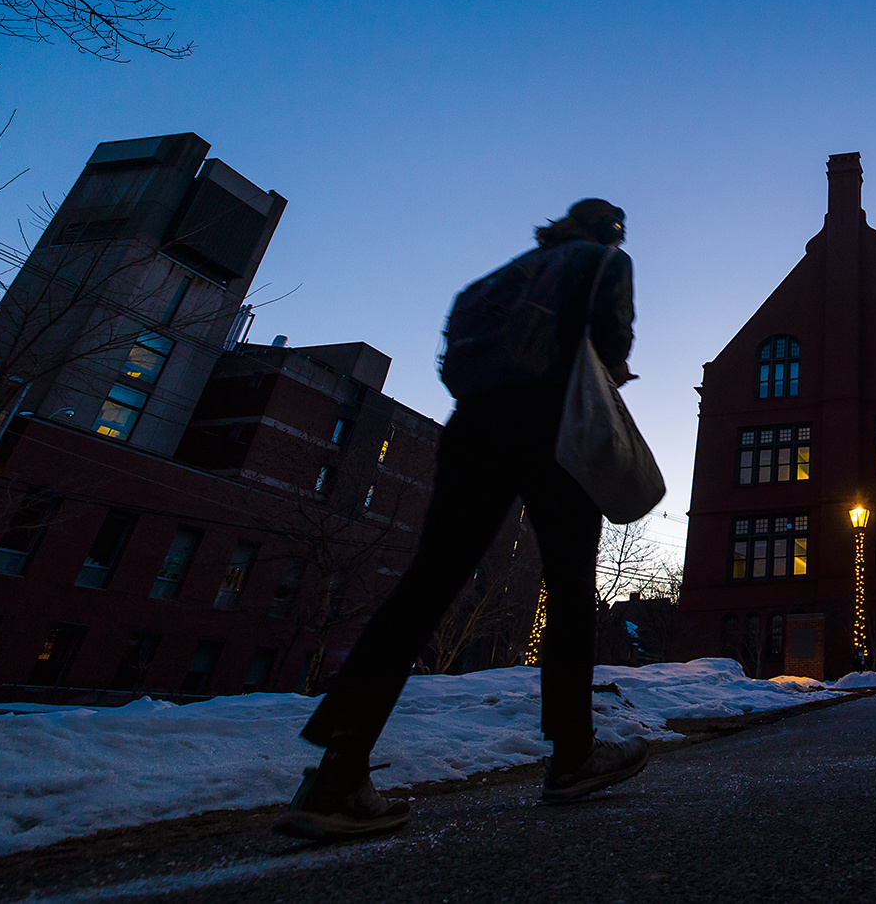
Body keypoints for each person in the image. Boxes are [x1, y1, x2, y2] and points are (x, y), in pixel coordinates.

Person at [274, 198, 649, 841]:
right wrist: (611, 368)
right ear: (607, 234)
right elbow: (612, 344)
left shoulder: (501, 277)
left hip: (475, 426)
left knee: (429, 581)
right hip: (557, 422)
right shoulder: (602, 262)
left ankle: (338, 772)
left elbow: (455, 360)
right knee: (568, 588)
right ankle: (572, 755)